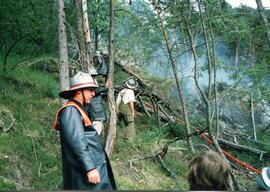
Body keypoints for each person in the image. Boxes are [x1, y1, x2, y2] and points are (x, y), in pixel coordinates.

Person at [53, 71, 116, 190]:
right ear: (79, 91)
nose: (93, 93)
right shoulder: (70, 110)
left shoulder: (78, 108)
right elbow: (77, 142)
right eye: (90, 90)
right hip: (86, 170)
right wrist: (90, 168)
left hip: (94, 164)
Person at [86, 67, 111, 136]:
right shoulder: (90, 82)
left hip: (96, 106)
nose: (94, 76)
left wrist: (104, 89)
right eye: (92, 75)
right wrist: (104, 87)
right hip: (95, 107)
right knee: (96, 125)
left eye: (94, 75)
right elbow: (95, 91)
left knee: (97, 124)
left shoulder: (93, 81)